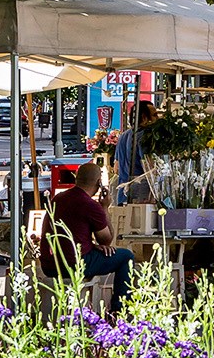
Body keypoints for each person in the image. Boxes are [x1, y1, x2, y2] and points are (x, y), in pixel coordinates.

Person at [47, 162, 133, 316]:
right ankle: (120, 310)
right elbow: (106, 240)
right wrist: (105, 207)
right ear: (99, 183)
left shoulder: (58, 199)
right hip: (76, 263)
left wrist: (92, 246)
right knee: (126, 257)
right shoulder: (90, 205)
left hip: (50, 263)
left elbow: (72, 235)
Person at [113, 100, 158, 203]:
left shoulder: (123, 135)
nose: (158, 119)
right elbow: (150, 168)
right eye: (155, 115)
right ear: (144, 117)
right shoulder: (145, 136)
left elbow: (116, 168)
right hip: (141, 197)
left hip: (122, 195)